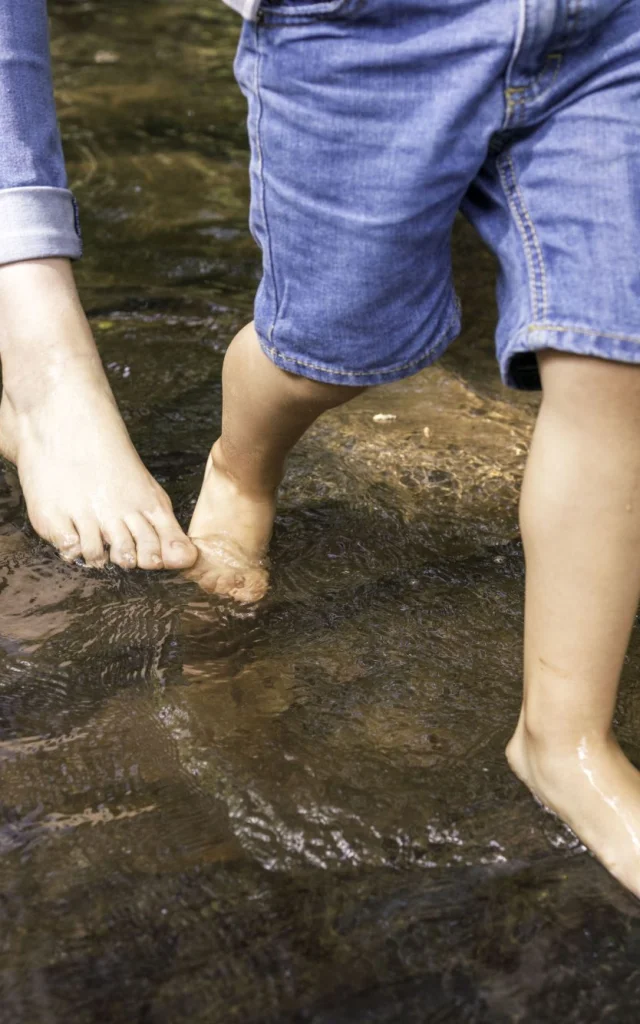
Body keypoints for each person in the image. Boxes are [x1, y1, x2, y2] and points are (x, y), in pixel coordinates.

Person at [4, 0, 640, 900]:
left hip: (612, 25)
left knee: (617, 354)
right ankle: (241, 468)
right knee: (330, 348)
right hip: (370, 35)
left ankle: (566, 739)